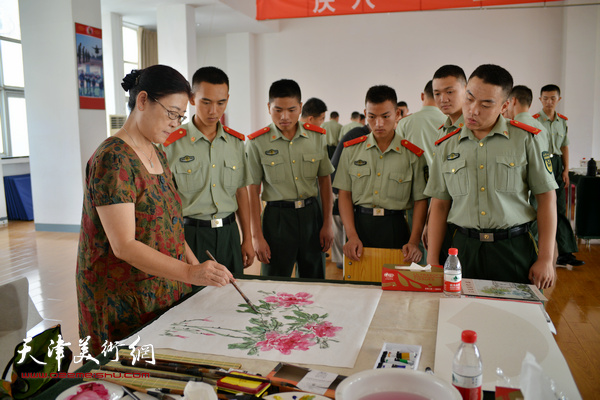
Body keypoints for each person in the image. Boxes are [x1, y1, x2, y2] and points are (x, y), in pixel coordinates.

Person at [76, 65, 233, 356]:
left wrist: (200, 273)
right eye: (172, 113)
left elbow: (169, 225)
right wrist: (189, 272)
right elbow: (124, 246)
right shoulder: (114, 158)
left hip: (162, 287)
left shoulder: (156, 150)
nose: (176, 123)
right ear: (143, 100)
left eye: (180, 116)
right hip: (124, 297)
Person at [425, 64, 558, 289]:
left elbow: (546, 199)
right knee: (460, 318)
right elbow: (439, 205)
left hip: (513, 248)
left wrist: (546, 258)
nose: (473, 110)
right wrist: (432, 261)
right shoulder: (446, 144)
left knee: (515, 319)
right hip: (463, 249)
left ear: (505, 105)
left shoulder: (526, 139)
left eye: (486, 104)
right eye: (469, 99)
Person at [161, 66, 254, 276]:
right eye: (206, 102)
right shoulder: (171, 144)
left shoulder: (236, 143)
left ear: (227, 99)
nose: (214, 111)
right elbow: (166, 201)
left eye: (221, 103)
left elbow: (241, 191)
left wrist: (247, 238)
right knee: (193, 301)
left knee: (232, 299)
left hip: (229, 232)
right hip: (191, 235)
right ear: (192, 99)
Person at [246, 79, 334, 278]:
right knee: (274, 283)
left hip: (312, 216)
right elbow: (252, 189)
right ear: (269, 108)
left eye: (292, 110)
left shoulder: (317, 137)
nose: (285, 116)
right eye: (278, 110)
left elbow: (324, 181)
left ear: (301, 108)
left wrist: (327, 223)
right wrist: (256, 235)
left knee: (315, 281)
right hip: (277, 219)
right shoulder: (257, 143)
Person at [333, 85, 428, 263]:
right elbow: (344, 195)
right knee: (359, 287)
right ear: (365, 114)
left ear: (397, 114)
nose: (379, 123)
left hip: (395, 228)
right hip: (359, 226)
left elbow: (420, 201)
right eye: (372, 116)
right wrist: (351, 236)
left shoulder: (413, 155)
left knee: (395, 287)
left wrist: (414, 241)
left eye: (385, 116)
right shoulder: (351, 150)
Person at [534, 85, 584, 267]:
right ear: (540, 99)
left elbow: (564, 147)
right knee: (538, 208)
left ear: (558, 100)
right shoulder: (534, 121)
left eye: (552, 98)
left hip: (558, 166)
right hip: (542, 163)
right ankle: (536, 251)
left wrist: (565, 169)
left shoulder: (562, 121)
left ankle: (565, 253)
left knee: (560, 209)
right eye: (545, 98)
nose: (549, 102)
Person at [396, 80, 447, 166]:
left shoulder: (404, 123)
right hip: (443, 178)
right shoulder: (449, 122)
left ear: (422, 96)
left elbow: (398, 157)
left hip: (412, 178)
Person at [432, 65, 467, 136]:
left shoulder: (476, 129)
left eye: (449, 92)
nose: (443, 100)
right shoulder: (443, 131)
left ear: (466, 90)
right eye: (437, 94)